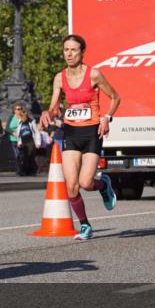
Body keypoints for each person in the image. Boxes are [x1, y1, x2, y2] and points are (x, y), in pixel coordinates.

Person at [40, 34, 120, 241]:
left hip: (92, 132)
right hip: (71, 133)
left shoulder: (94, 75)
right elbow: (55, 108)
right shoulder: (60, 78)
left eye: (74, 50)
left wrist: (107, 118)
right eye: (66, 49)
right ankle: (85, 225)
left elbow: (115, 97)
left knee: (86, 183)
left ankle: (103, 185)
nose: (69, 54)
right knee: (71, 185)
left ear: (82, 52)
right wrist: (47, 113)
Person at [12, 105, 40, 176]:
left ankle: (32, 171)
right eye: (21, 117)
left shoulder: (31, 122)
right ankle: (23, 171)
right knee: (24, 157)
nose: (23, 118)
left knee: (31, 156)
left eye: (24, 117)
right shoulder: (20, 123)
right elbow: (19, 134)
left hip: (30, 141)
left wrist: (38, 143)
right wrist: (19, 142)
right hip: (23, 142)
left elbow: (36, 132)